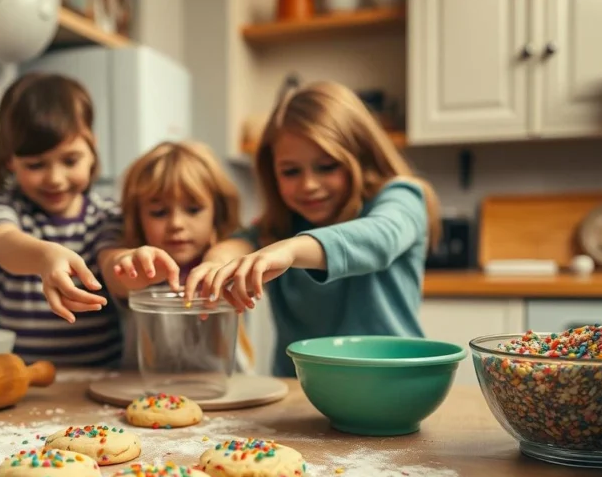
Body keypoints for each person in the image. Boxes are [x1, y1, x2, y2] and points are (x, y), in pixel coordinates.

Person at [183, 81, 443, 378]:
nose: (309, 185)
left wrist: (291, 249)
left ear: (360, 155)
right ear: (272, 174)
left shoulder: (401, 196)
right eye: (291, 171)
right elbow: (240, 243)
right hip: (300, 389)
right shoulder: (281, 225)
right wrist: (217, 262)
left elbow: (381, 238)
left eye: (327, 166)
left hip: (393, 383)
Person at [0, 72, 124, 368]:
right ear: (9, 160)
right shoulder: (2, 206)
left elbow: (113, 262)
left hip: (101, 378)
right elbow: (4, 244)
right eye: (35, 165)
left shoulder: (108, 214)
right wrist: (45, 257)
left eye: (70, 160)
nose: (55, 179)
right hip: (23, 381)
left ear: (92, 149)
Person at [100, 141, 255, 373]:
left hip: (230, 390)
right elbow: (116, 272)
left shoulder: (230, 251)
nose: (176, 224)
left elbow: (239, 250)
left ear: (218, 212)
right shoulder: (138, 265)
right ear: (137, 217)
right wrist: (134, 264)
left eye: (193, 210)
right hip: (144, 390)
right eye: (159, 212)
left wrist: (215, 263)